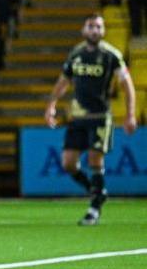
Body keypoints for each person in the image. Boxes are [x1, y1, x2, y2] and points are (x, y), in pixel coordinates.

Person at [44, 14, 137, 225]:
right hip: (77, 117)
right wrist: (51, 105)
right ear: (83, 30)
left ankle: (94, 208)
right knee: (68, 164)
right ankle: (96, 191)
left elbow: (127, 86)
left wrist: (130, 114)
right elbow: (63, 81)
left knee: (95, 159)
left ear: (103, 31)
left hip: (100, 117)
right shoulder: (76, 54)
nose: (95, 30)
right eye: (91, 26)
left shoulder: (111, 55)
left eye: (98, 27)